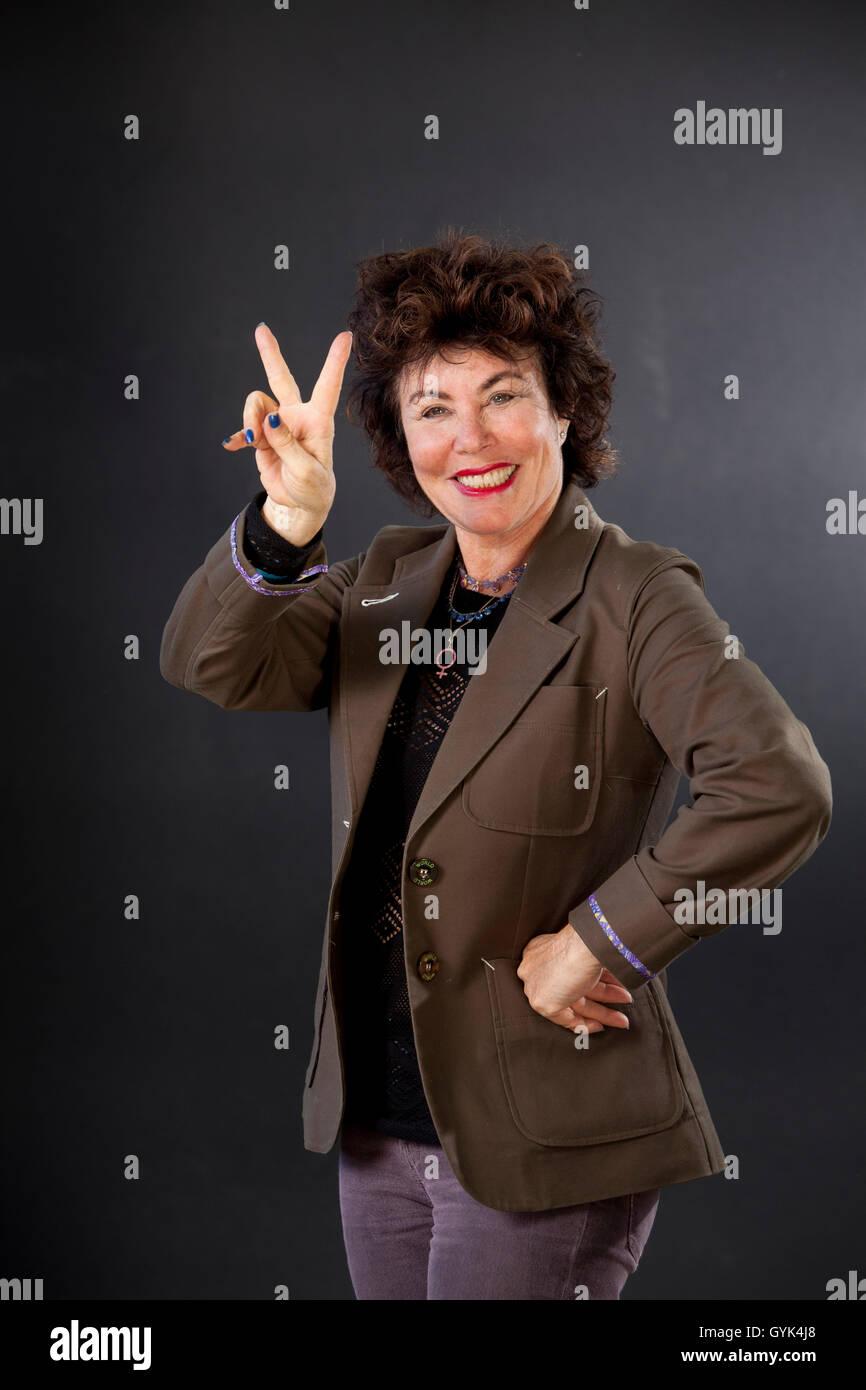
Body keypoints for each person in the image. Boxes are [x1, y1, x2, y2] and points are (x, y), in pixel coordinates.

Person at [160, 230, 832, 1300]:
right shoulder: (387, 581)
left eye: (502, 395)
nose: (468, 438)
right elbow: (214, 664)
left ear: (564, 410)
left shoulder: (637, 594)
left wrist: (600, 939)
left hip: (541, 1130)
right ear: (398, 440)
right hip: (379, 1117)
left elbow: (777, 785)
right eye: (431, 407)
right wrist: (287, 527)